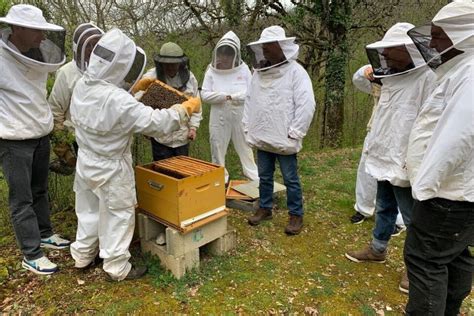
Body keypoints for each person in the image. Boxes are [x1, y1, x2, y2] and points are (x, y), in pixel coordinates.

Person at [69, 28, 201, 281]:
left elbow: (112, 106)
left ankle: (83, 255)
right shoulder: (118, 100)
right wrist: (184, 109)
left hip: (86, 161)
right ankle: (117, 267)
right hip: (111, 166)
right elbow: (157, 123)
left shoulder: (82, 85)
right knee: (119, 213)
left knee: (88, 210)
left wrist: (136, 91)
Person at [344, 23, 436, 294]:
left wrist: (417, 159)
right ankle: (378, 249)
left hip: (407, 158)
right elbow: (362, 82)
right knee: (383, 206)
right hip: (384, 151)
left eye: (396, 50)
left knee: (412, 218)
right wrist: (369, 73)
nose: (390, 55)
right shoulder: (388, 75)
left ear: (411, 50)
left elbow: (430, 123)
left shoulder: (427, 78)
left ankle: (414, 267)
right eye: (388, 51)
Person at [404, 1, 474, 313]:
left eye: (438, 36)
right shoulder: (463, 70)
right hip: (458, 191)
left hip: (446, 194)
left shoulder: (470, 75)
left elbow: (458, 135)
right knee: (454, 255)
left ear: (462, 35)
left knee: (425, 259)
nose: (431, 44)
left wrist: (424, 188)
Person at [0, 4, 70, 275]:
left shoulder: (39, 53)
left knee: (40, 190)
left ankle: (44, 234)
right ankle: (31, 253)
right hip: (13, 139)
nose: (42, 37)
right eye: (37, 32)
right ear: (18, 29)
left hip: (40, 133)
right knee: (22, 198)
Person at [244, 25, 316, 235]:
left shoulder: (296, 72)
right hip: (263, 136)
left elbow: (306, 104)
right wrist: (247, 126)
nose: (265, 51)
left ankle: (296, 215)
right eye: (263, 47)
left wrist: (296, 132)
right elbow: (250, 101)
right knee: (264, 176)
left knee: (290, 179)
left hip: (285, 137)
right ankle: (265, 208)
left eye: (269, 47)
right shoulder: (258, 73)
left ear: (281, 47)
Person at [351, 64, 406, 236]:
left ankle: (398, 220)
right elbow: (358, 80)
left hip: (401, 134)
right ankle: (363, 208)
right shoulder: (381, 81)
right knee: (366, 171)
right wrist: (366, 70)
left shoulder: (416, 80)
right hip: (375, 130)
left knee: (396, 176)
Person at [201, 31, 259, 183]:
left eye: (228, 54)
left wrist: (234, 97)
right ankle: (220, 181)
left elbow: (251, 92)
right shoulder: (211, 71)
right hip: (218, 115)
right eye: (222, 54)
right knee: (217, 147)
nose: (225, 58)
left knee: (245, 147)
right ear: (217, 54)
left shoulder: (244, 69)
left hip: (240, 114)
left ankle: (255, 179)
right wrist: (225, 97)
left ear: (235, 55)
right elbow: (205, 95)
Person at [48, 23, 104, 175]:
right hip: (77, 139)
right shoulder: (67, 73)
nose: (92, 49)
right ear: (78, 48)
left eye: (95, 45)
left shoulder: (106, 71)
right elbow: (55, 110)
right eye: (88, 45)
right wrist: (63, 146)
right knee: (85, 184)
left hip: (102, 138)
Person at [133, 42, 202, 161]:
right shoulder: (150, 76)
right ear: (161, 63)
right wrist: (146, 128)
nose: (170, 67)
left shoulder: (190, 78)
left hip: (182, 137)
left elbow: (196, 105)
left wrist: (193, 128)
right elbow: (138, 105)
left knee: (181, 174)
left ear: (180, 63)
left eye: (174, 64)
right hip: (160, 137)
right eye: (167, 64)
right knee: (162, 174)